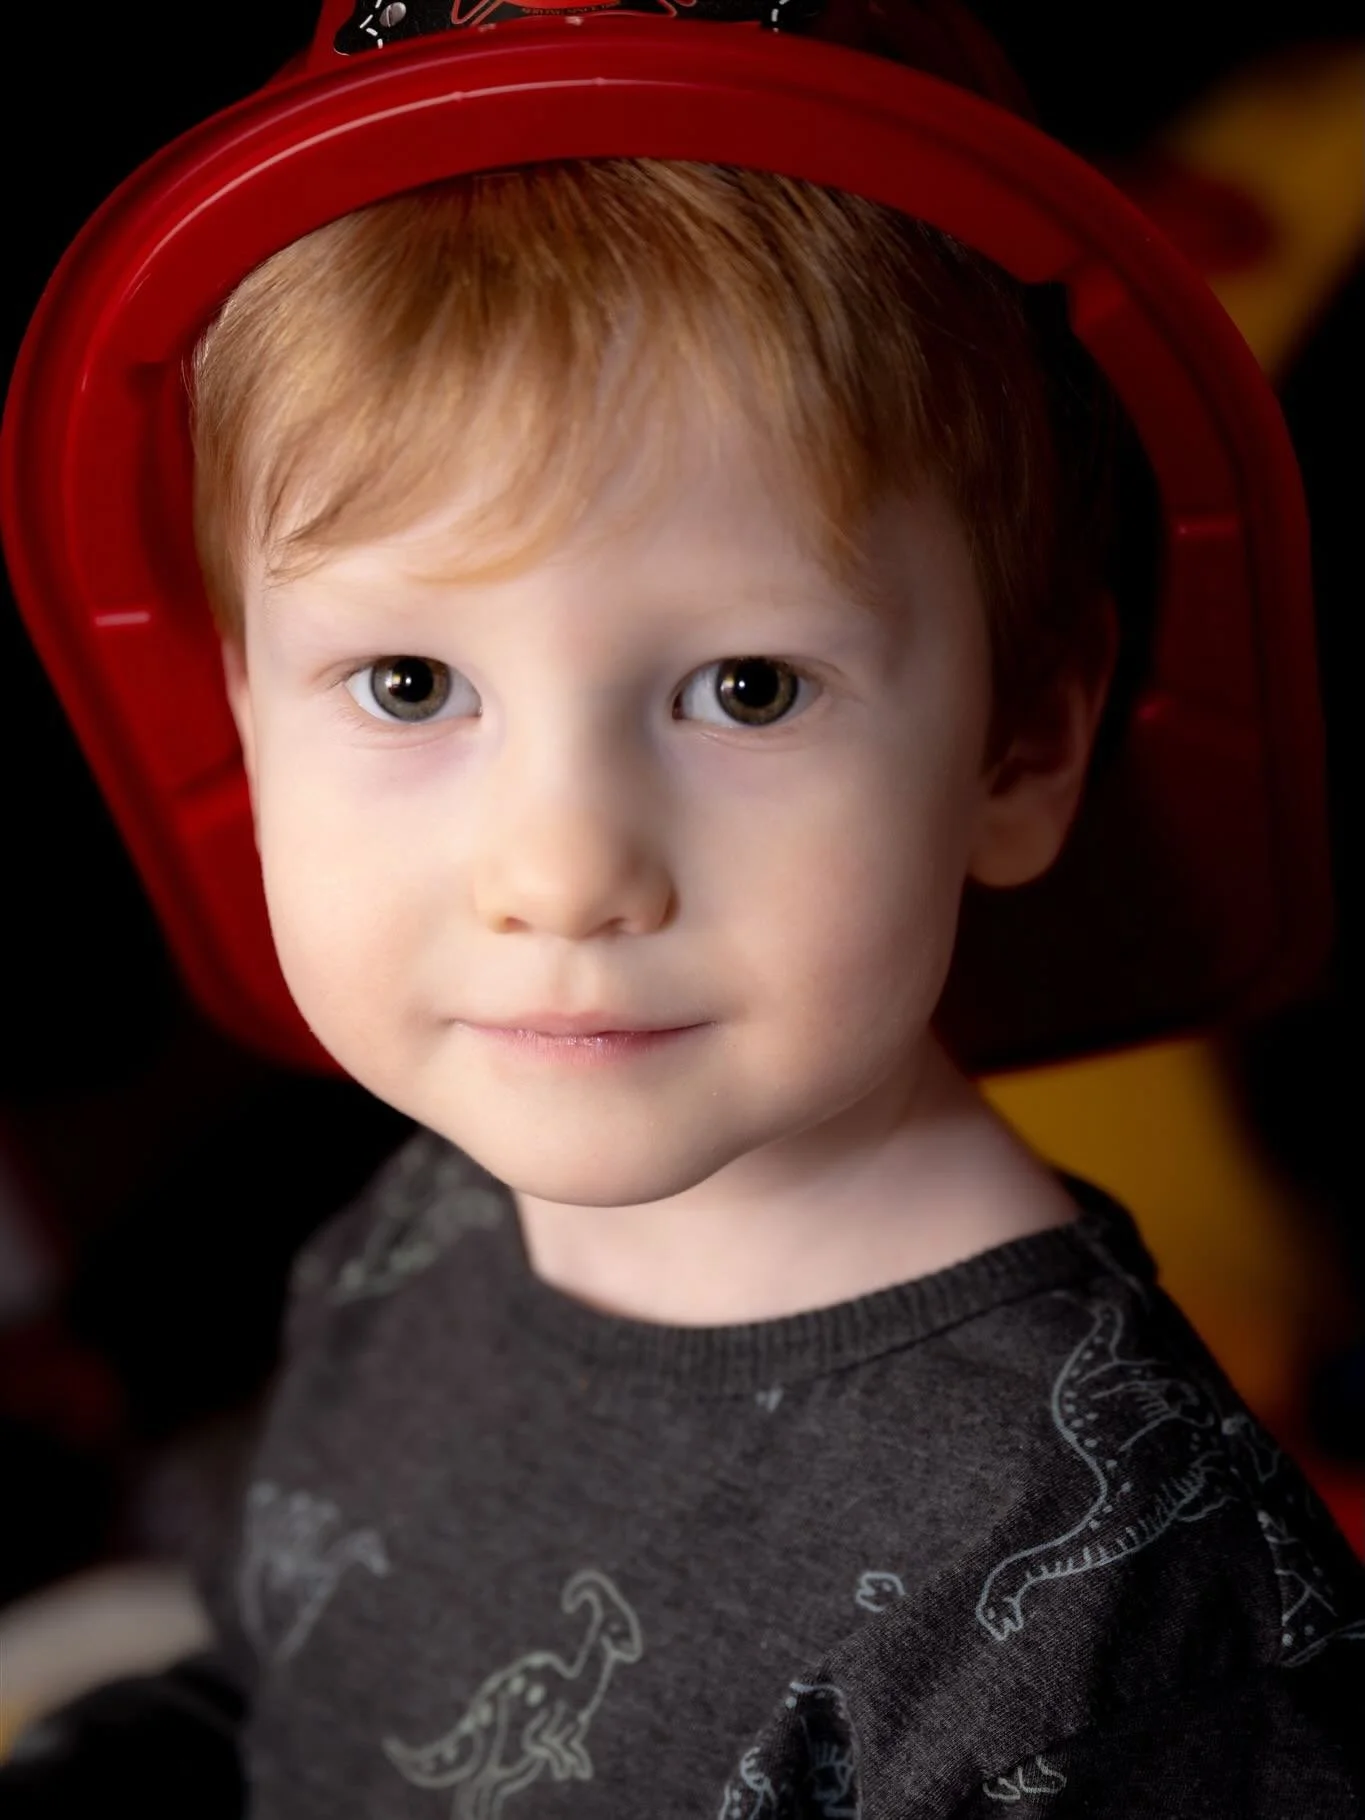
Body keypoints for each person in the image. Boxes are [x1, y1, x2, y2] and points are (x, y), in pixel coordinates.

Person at [1, 2, 1360, 1815]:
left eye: (747, 689)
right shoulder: (430, 1212)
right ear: (243, 715)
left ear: (1025, 744)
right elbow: (304, 1687)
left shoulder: (1101, 1600)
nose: (562, 875)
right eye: (410, 685)